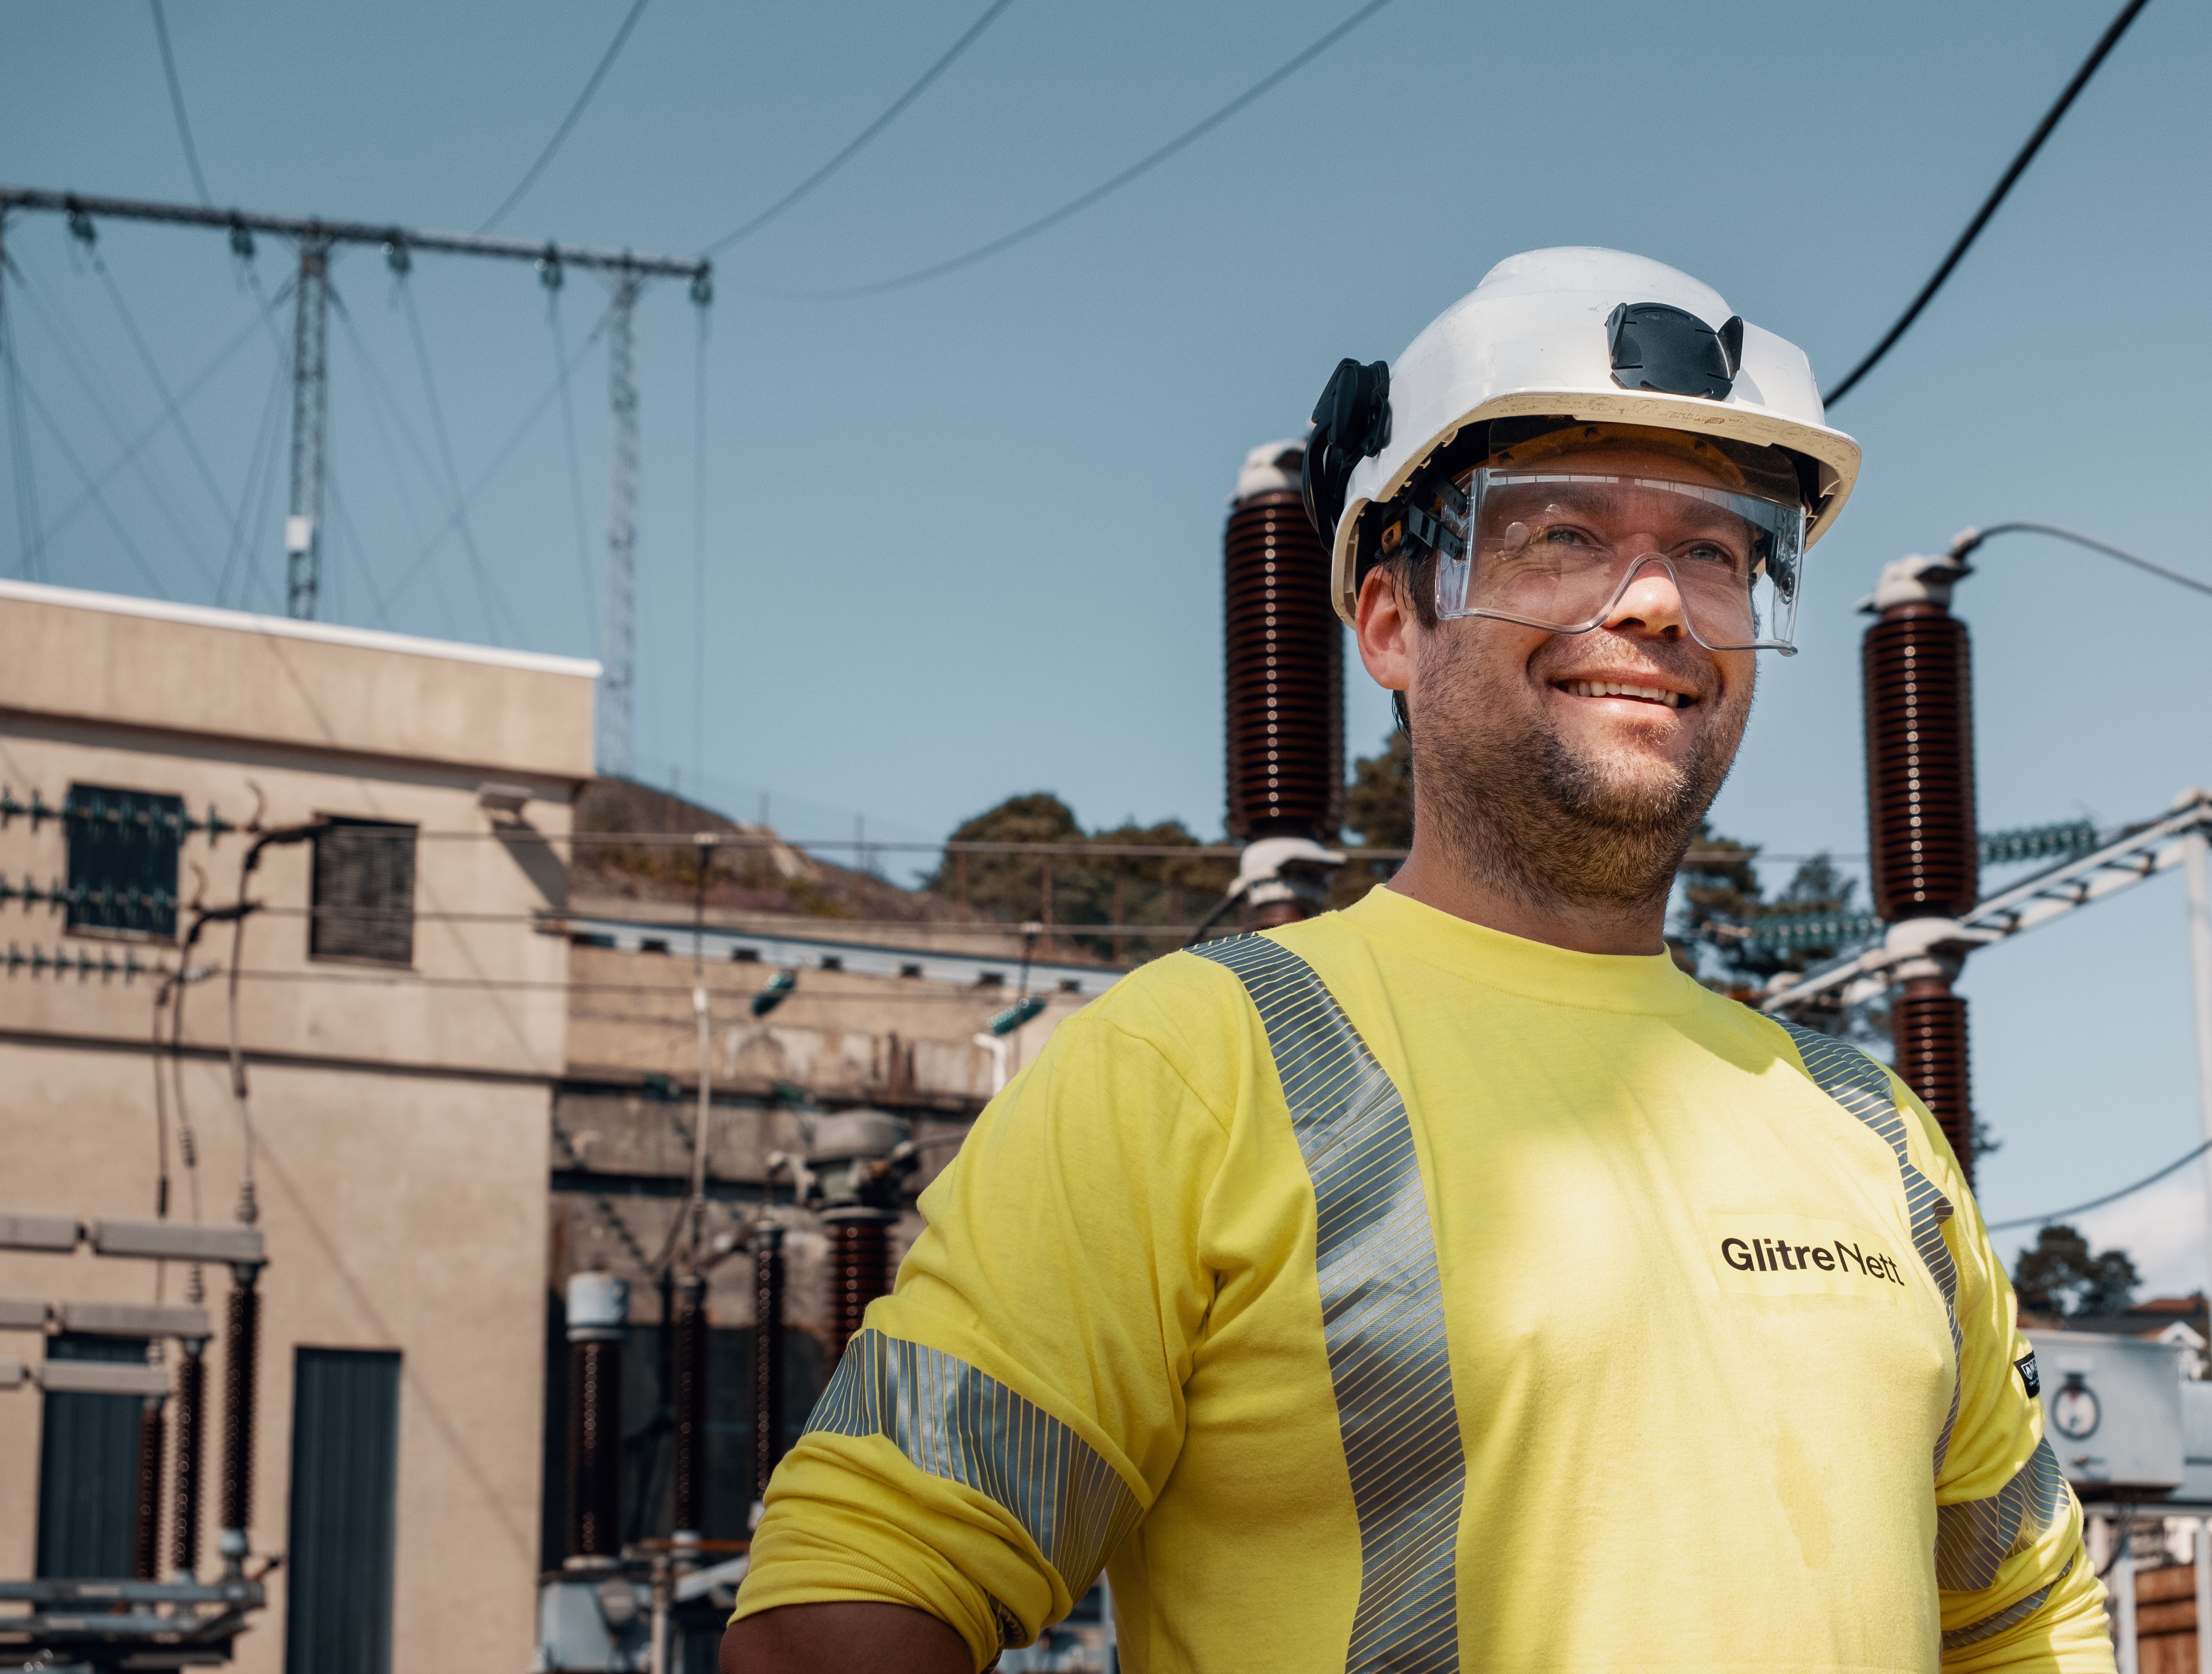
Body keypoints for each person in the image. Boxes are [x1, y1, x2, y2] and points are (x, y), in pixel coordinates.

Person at [725, 247, 2112, 1672]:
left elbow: (2028, 1623)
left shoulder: (1876, 1139)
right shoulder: (1195, 1072)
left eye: (1716, 548)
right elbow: (847, 1610)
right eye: (1561, 535)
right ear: (1391, 621)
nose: (1655, 602)